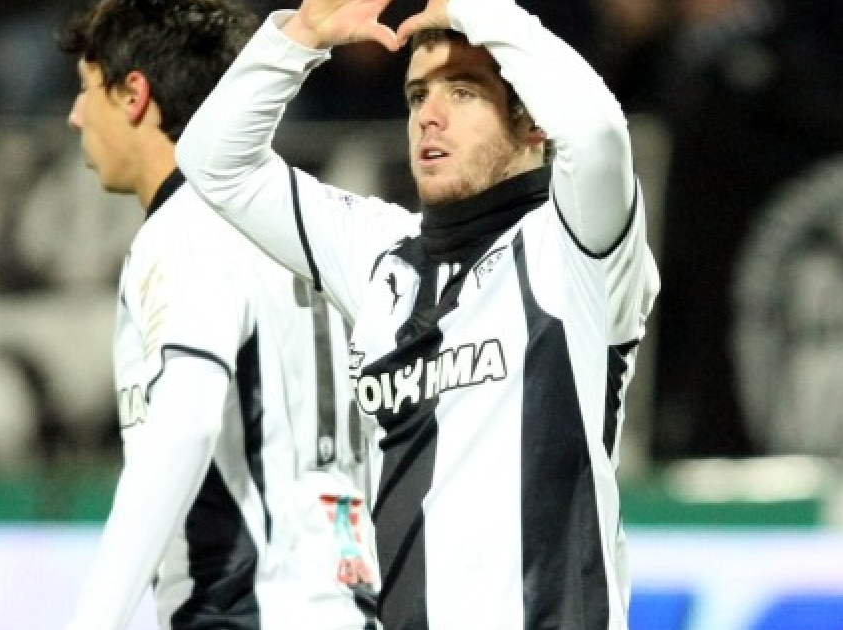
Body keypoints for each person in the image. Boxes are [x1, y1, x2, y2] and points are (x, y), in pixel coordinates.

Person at [178, 0, 661, 629]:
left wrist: (478, 9)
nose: (430, 116)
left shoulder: (574, 251)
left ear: (533, 122)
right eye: (416, 95)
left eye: (463, 91)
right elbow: (215, 162)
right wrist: (298, 39)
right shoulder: (381, 257)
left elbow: (597, 134)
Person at [56, 1, 377, 629]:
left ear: (133, 95)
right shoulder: (310, 232)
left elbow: (185, 421)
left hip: (248, 611)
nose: (74, 115)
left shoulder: (187, 228)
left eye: (86, 89)